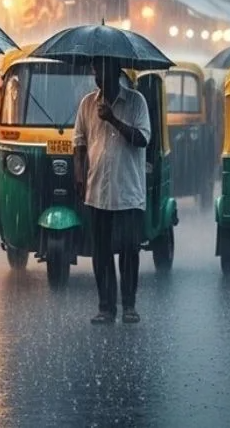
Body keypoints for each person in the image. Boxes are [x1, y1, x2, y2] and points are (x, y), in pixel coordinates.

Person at [73, 57, 151, 325]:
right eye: (94, 70)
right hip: (97, 191)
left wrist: (113, 119)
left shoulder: (136, 102)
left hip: (128, 192)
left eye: (102, 71)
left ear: (116, 72)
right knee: (101, 252)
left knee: (129, 250)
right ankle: (106, 307)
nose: (97, 76)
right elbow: (79, 142)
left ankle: (129, 305)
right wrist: (80, 174)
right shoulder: (86, 104)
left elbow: (142, 139)